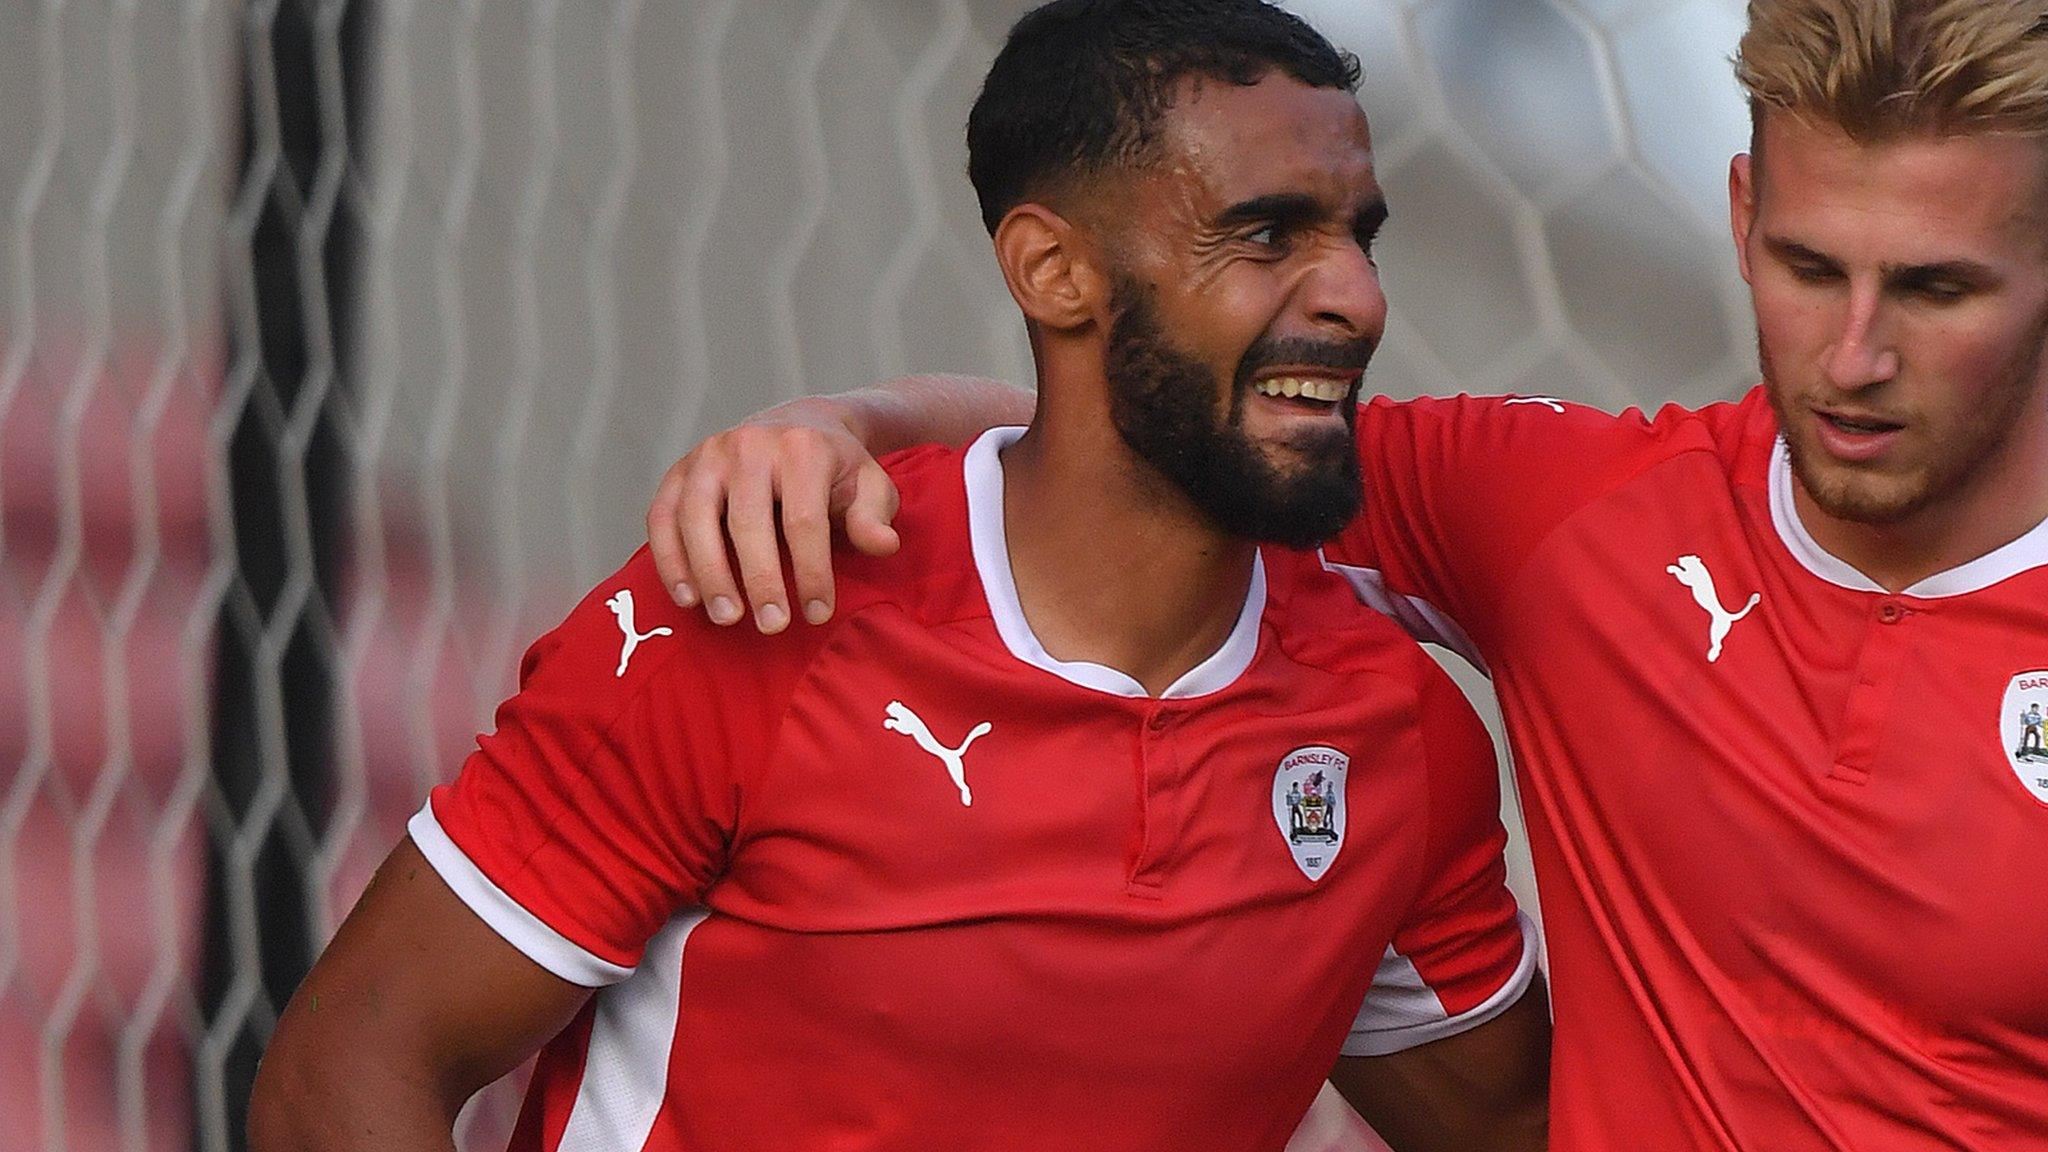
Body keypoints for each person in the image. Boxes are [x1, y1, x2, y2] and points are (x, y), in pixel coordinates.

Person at [645, 0, 2048, 1148]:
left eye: (1935, 289)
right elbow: (1164, 425)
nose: (1852, 356)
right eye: (1809, 267)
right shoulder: (1582, 516)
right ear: (1741, 215)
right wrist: (840, 427)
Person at [247, 3, 1550, 1151]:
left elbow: (1520, 1131)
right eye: (1267, 235)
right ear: (1055, 270)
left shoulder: (1397, 741)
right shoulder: (761, 601)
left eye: (1356, 235)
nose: (1358, 297)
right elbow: (347, 1071)